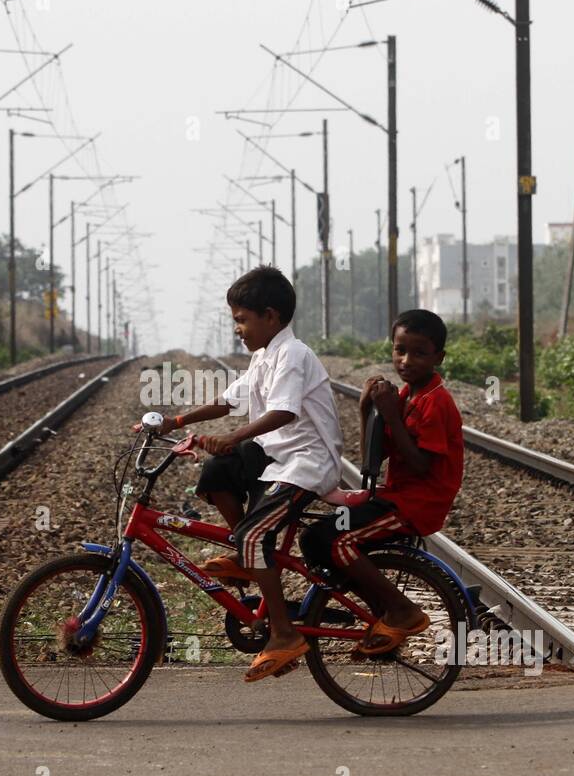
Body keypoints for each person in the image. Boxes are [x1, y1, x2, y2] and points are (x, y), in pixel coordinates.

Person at [151, 265, 342, 681]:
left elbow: (284, 410)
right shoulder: (263, 357)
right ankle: (247, 555)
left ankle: (285, 634)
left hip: (306, 464)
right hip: (278, 456)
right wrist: (176, 422)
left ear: (270, 317)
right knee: (217, 471)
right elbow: (227, 401)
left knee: (257, 532)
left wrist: (234, 436)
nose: (237, 329)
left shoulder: (293, 355)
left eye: (242, 319)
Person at [300, 308, 464, 658]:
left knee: (338, 541)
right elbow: (374, 460)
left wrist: (390, 415)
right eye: (399, 350)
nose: (406, 360)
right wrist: (365, 411)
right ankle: (383, 616)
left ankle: (402, 611)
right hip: (395, 495)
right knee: (313, 538)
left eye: (419, 353)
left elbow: (421, 466)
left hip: (416, 504)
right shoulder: (405, 395)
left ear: (439, 357)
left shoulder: (436, 401)